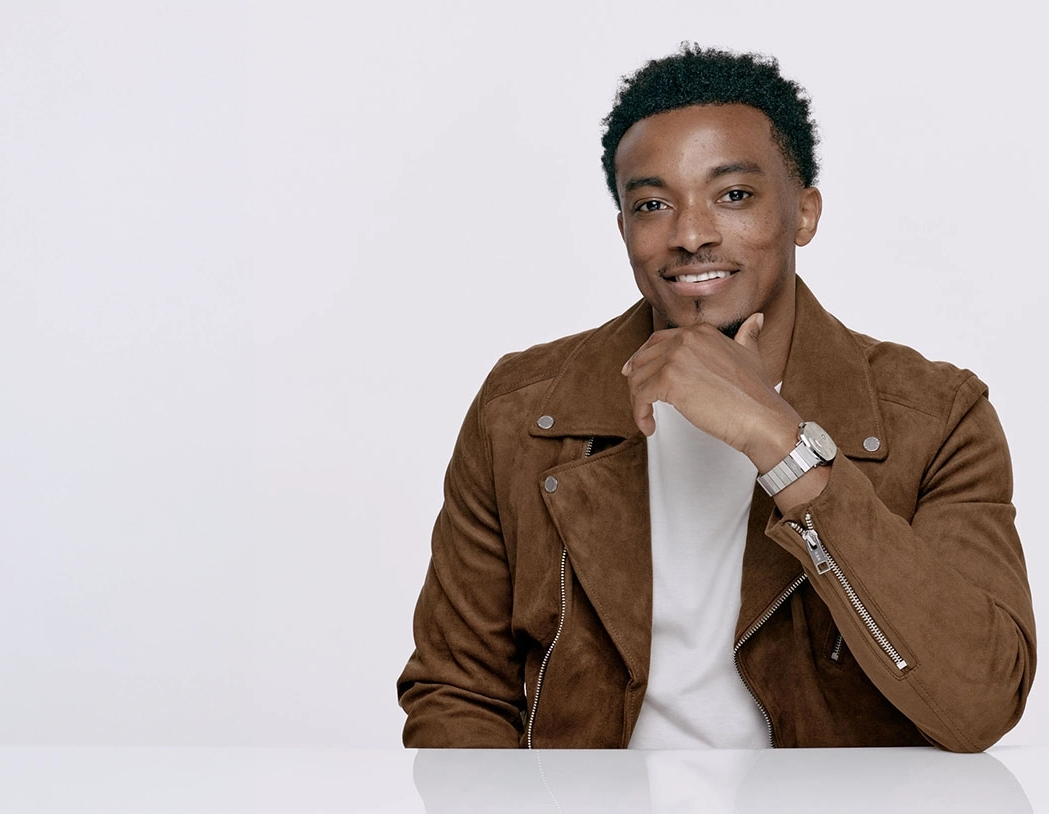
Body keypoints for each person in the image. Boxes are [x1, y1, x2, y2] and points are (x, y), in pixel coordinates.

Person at [396, 44, 1036, 752]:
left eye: (734, 196)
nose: (691, 235)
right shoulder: (522, 410)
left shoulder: (938, 418)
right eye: (652, 204)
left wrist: (779, 441)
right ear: (624, 231)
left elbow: (980, 704)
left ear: (804, 214)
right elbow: (457, 695)